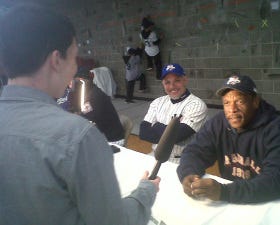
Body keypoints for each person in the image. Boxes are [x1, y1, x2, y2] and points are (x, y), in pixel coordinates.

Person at [0, 4, 160, 225]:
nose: (74, 68)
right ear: (56, 60)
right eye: (74, 58)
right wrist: (145, 192)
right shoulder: (77, 137)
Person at [177, 74, 280, 203]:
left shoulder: (276, 129)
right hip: (237, 201)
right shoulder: (218, 123)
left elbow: (279, 179)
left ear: (255, 102)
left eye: (240, 101)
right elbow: (194, 151)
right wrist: (188, 173)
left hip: (273, 204)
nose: (233, 109)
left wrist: (225, 192)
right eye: (227, 103)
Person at [139, 63, 208, 163]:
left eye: (177, 81)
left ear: (185, 80)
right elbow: (143, 132)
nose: (172, 86)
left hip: (183, 161)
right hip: (155, 155)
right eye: (167, 82)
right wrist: (170, 131)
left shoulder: (197, 104)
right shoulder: (157, 102)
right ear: (163, 83)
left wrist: (156, 126)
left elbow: (178, 136)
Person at [58, 74, 125, 146]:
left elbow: (85, 121)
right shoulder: (85, 92)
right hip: (101, 135)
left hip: (112, 141)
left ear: (81, 81)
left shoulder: (94, 96)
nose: (69, 84)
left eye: (71, 81)